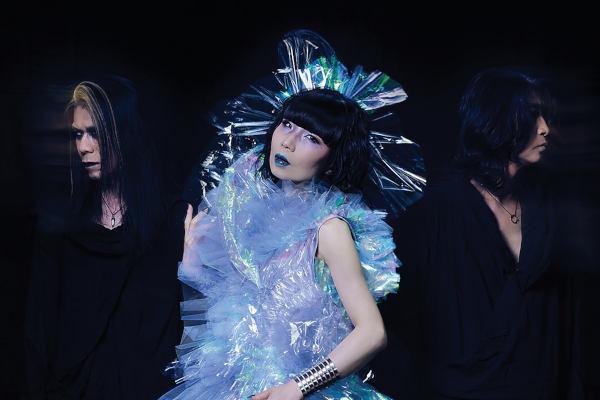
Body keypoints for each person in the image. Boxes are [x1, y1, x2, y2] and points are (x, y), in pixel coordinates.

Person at [161, 30, 425, 400]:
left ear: (334, 157)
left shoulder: (330, 229)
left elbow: (372, 333)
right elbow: (221, 321)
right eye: (287, 125)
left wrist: (298, 387)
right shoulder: (249, 214)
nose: (287, 141)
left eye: (312, 138)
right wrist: (192, 265)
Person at [395, 67, 584, 399]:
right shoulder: (439, 210)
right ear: (496, 121)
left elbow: (570, 319)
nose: (545, 128)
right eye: (532, 116)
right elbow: (410, 321)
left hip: (542, 387)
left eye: (545, 116)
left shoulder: (549, 207)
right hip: (460, 389)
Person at [24, 77, 185, 399]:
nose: (83, 147)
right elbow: (39, 330)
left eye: (95, 132)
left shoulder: (172, 221)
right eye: (78, 134)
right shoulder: (63, 227)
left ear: (126, 133)